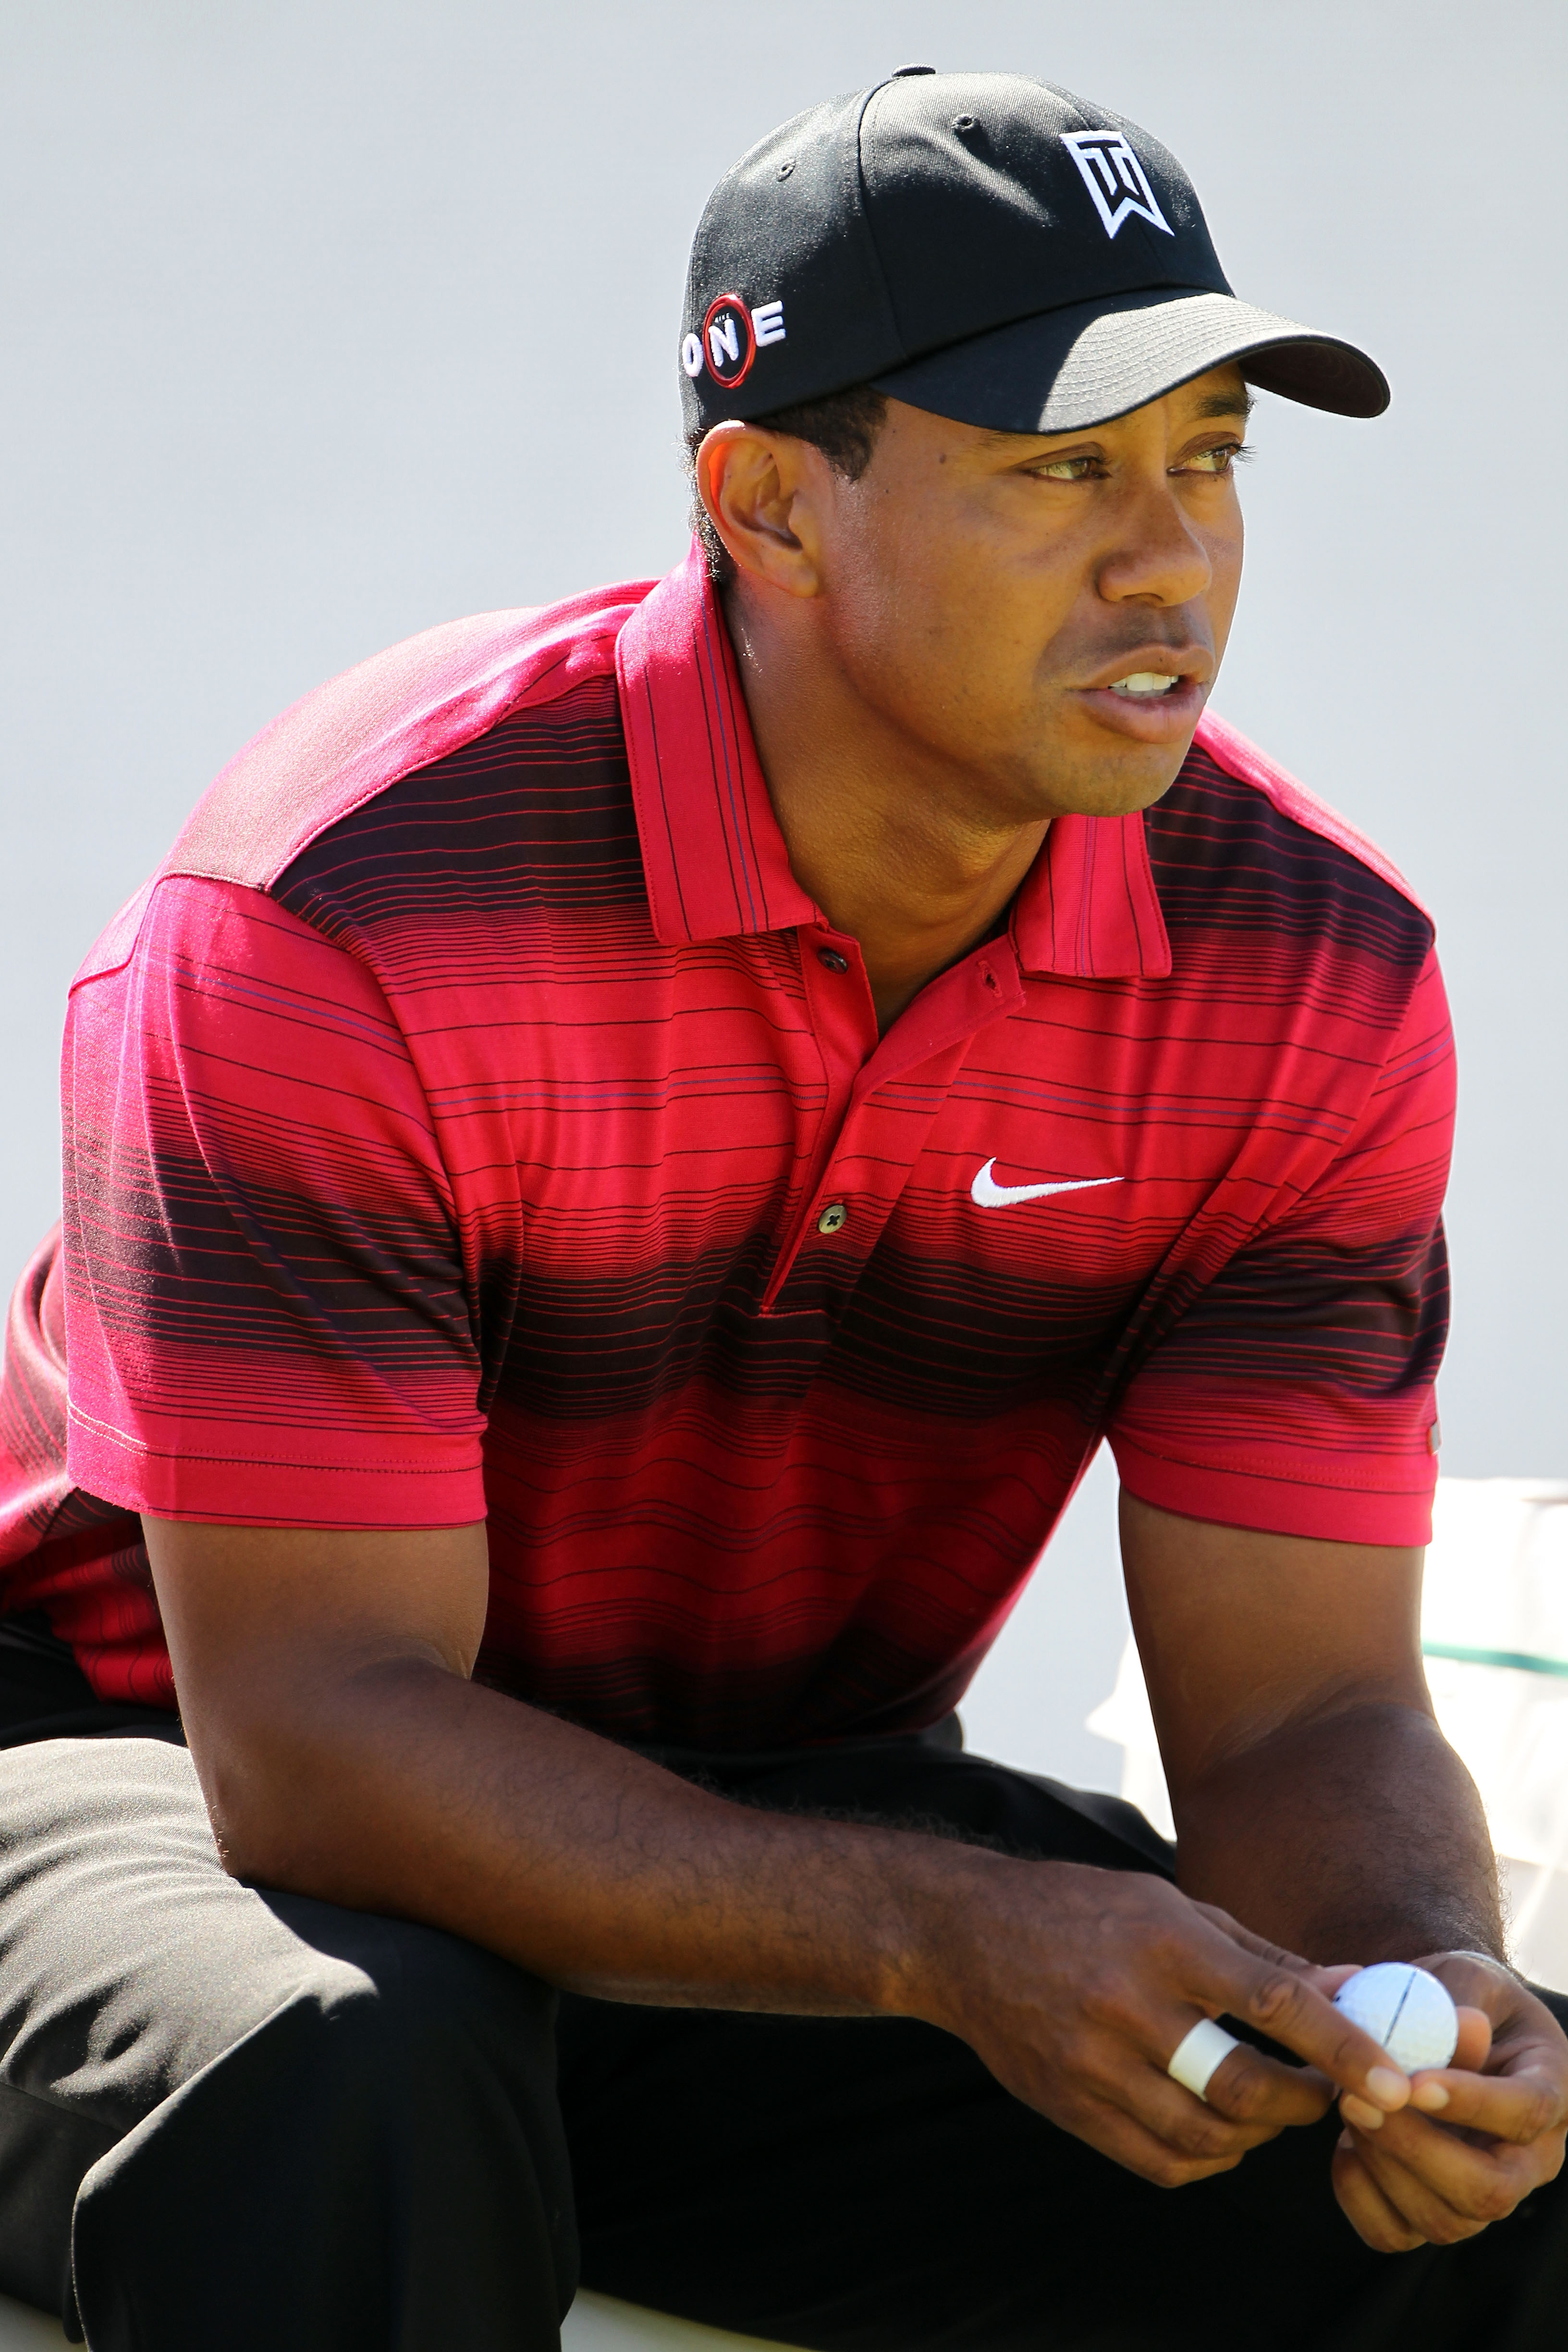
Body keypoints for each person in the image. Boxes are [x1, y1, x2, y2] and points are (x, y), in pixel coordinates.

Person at [0, 63, 1562, 2352]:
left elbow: (1299, 1718)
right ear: (768, 507)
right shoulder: (347, 905)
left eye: (1210, 463)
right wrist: (934, 1933)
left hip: (771, 1820)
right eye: (1062, 473)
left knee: (1443, 2183)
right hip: (140, 1768)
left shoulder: (1311, 970)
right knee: (353, 2075)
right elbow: (316, 1740)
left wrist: (1426, 1987)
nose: (1169, 557)